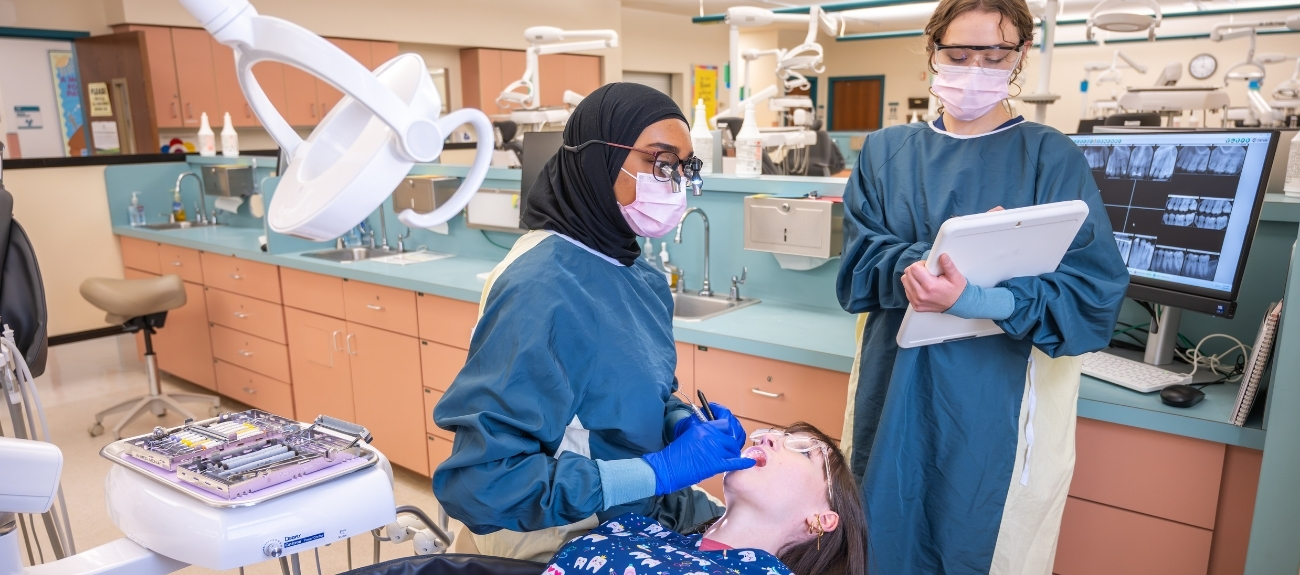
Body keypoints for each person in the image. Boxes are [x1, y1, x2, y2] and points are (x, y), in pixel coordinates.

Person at [835, 0, 1130, 572]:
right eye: (959, 53)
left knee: (980, 546)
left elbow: (1093, 293)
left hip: (998, 398)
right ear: (932, 53)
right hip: (894, 390)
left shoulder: (1049, 156)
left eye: (994, 56)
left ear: (1019, 57)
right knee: (880, 537)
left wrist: (977, 297)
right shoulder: (886, 152)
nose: (974, 68)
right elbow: (859, 266)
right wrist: (930, 264)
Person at [433, 82, 754, 563]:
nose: (674, 183)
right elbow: (484, 483)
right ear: (597, 158)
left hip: (632, 519)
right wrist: (657, 473)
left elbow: (630, 390)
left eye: (684, 167)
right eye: (660, 162)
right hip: (554, 540)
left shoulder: (638, 274)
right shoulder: (539, 289)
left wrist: (679, 421)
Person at [545, 423, 868, 575]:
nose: (767, 436)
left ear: (821, 520)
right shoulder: (644, 529)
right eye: (774, 433)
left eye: (804, 450)